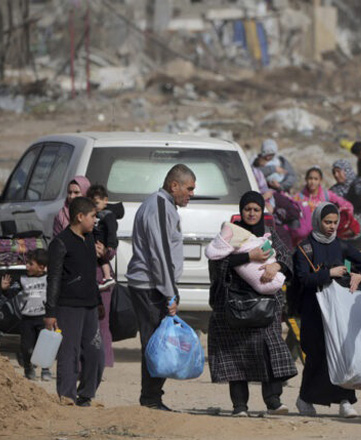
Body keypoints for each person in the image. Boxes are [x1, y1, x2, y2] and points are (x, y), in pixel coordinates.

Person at [207, 191, 298, 416]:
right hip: (234, 305)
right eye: (247, 209)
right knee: (236, 357)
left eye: (256, 209)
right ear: (241, 211)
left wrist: (276, 267)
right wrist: (250, 257)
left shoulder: (270, 235)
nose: (252, 213)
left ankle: (274, 402)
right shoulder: (230, 234)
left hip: (265, 307)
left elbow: (287, 258)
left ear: (262, 212)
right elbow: (217, 263)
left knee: (270, 352)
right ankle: (240, 406)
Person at [292, 203, 361, 418]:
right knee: (316, 356)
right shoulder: (305, 248)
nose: (331, 227)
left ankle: (346, 400)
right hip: (314, 312)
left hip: (339, 311)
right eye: (327, 222)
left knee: (342, 353)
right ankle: (305, 399)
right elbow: (303, 280)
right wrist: (328, 273)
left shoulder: (342, 246)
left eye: (334, 222)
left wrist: (360, 276)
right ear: (317, 221)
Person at [126, 164, 196, 411]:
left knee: (158, 340)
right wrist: (169, 292)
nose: (191, 194)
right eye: (189, 188)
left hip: (156, 285)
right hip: (150, 286)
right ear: (173, 185)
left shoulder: (165, 206)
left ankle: (153, 396)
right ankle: (151, 398)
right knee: (157, 342)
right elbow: (161, 254)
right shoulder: (158, 206)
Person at [44, 197, 104, 407]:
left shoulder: (89, 240)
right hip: (68, 306)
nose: (95, 221)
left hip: (89, 305)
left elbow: (91, 275)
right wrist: (50, 312)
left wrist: (98, 302)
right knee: (69, 352)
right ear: (80, 217)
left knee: (94, 351)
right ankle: (67, 395)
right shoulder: (60, 243)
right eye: (92, 216)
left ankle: (86, 394)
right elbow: (53, 279)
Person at [1, 249, 50, 381]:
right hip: (27, 319)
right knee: (27, 347)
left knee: (44, 345)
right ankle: (28, 368)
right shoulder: (22, 280)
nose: (27, 266)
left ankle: (45, 369)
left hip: (43, 318)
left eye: (30, 264)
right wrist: (5, 289)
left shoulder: (49, 280)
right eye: (26, 263)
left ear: (41, 267)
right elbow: (12, 294)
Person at [85, 184, 117, 368]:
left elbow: (111, 247)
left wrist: (105, 251)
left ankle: (103, 362)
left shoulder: (107, 219)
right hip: (85, 276)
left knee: (102, 322)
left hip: (101, 279)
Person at [291, 167, 354, 247]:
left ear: (320, 180)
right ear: (306, 179)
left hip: (324, 237)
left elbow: (348, 206)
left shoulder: (327, 195)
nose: (312, 182)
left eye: (316, 179)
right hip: (304, 238)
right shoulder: (298, 197)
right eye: (310, 178)